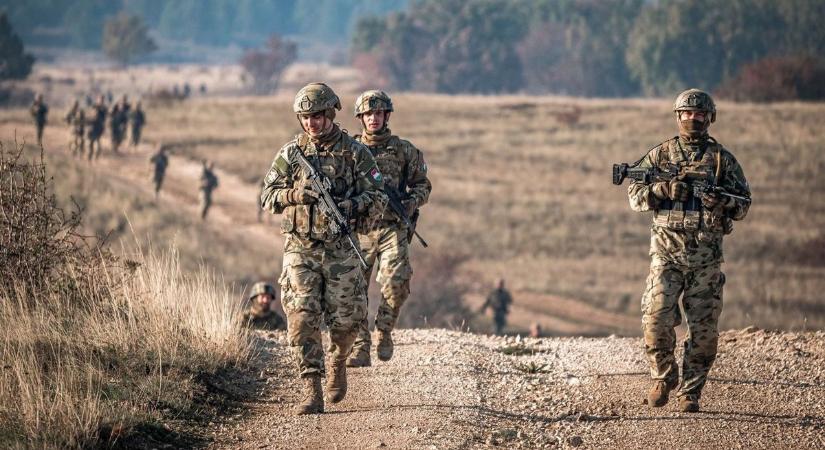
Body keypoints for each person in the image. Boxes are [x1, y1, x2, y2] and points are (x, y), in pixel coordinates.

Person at [260, 82, 386, 415]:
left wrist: (348, 206)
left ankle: (338, 361)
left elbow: (377, 197)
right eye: (305, 117)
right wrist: (294, 195)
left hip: (341, 248)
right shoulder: (291, 153)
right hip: (300, 247)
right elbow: (267, 195)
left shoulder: (355, 152)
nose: (311, 123)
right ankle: (311, 388)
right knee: (302, 317)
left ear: (330, 113)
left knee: (346, 322)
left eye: (316, 115)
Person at [627, 89, 751, 413]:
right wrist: (662, 189)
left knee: (705, 331)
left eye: (699, 114)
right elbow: (634, 195)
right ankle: (663, 377)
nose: (692, 119)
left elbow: (743, 205)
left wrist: (720, 200)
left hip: (706, 260)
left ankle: (691, 391)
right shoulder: (661, 155)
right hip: (666, 255)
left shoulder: (723, 160)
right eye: (687, 114)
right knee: (655, 318)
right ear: (677, 116)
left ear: (709, 118)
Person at [346, 90, 432, 367]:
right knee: (352, 290)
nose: (374, 118)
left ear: (386, 116)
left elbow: (422, 184)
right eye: (369, 114)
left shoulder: (404, 150)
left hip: (392, 228)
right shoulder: (349, 149)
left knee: (397, 283)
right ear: (361, 117)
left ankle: (383, 330)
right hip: (359, 230)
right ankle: (360, 345)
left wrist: (411, 202)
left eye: (379, 113)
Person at [87, 95, 107, 161]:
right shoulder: (93, 107)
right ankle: (89, 159)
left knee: (98, 147)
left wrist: (103, 128)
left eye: (102, 100)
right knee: (90, 145)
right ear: (97, 100)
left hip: (98, 130)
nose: (101, 101)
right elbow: (89, 117)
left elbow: (104, 119)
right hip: (92, 129)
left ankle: (95, 160)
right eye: (100, 99)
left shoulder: (104, 109)